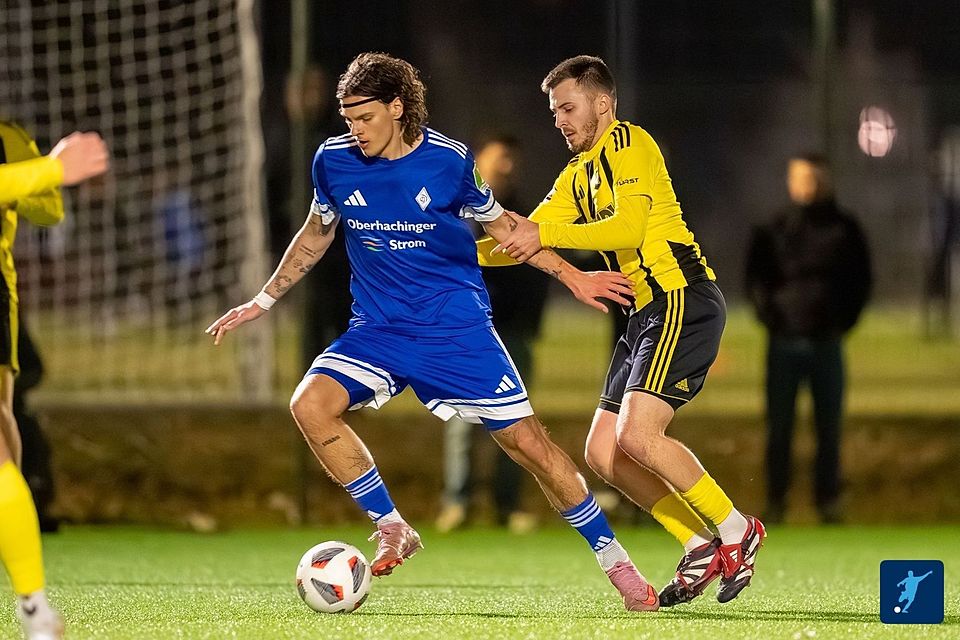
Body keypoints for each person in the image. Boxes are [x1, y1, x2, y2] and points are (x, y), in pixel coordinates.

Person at [207, 52, 661, 612]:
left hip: (456, 330)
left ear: (398, 109)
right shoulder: (332, 160)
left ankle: (618, 565)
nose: (356, 130)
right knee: (309, 405)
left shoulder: (449, 162)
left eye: (366, 118)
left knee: (529, 445)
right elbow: (316, 233)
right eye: (348, 118)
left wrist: (572, 276)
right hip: (378, 328)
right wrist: (264, 298)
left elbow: (506, 229)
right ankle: (393, 525)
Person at [490, 55, 765, 607]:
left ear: (604, 104)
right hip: (645, 313)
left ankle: (737, 530)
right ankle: (697, 543)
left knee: (638, 437)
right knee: (602, 453)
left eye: (568, 107)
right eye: (554, 112)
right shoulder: (575, 174)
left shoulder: (630, 144)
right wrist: (434, 249)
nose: (561, 120)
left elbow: (629, 227)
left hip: (682, 295)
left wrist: (542, 230)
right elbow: (522, 238)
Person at [0, 122, 110, 640]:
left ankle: (31, 604)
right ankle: (33, 609)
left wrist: (36, 175)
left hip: (1, 295)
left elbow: (50, 208)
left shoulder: (8, 135)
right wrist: (51, 168)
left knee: (5, 436)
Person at [745, 153, 872, 524]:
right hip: (784, 343)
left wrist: (841, 322)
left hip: (826, 343)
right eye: (799, 177)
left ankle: (828, 501)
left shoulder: (845, 228)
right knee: (779, 427)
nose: (806, 185)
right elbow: (756, 280)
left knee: (828, 428)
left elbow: (860, 281)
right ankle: (776, 501)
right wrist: (771, 318)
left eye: (813, 178)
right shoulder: (775, 227)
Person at [435, 135, 548, 534]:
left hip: (512, 332)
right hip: (464, 333)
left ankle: (508, 506)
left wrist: (529, 324)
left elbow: (536, 274)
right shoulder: (448, 209)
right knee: (461, 422)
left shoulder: (525, 214)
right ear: (478, 160)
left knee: (516, 422)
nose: (506, 167)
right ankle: (457, 503)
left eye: (511, 160)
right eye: (499, 158)